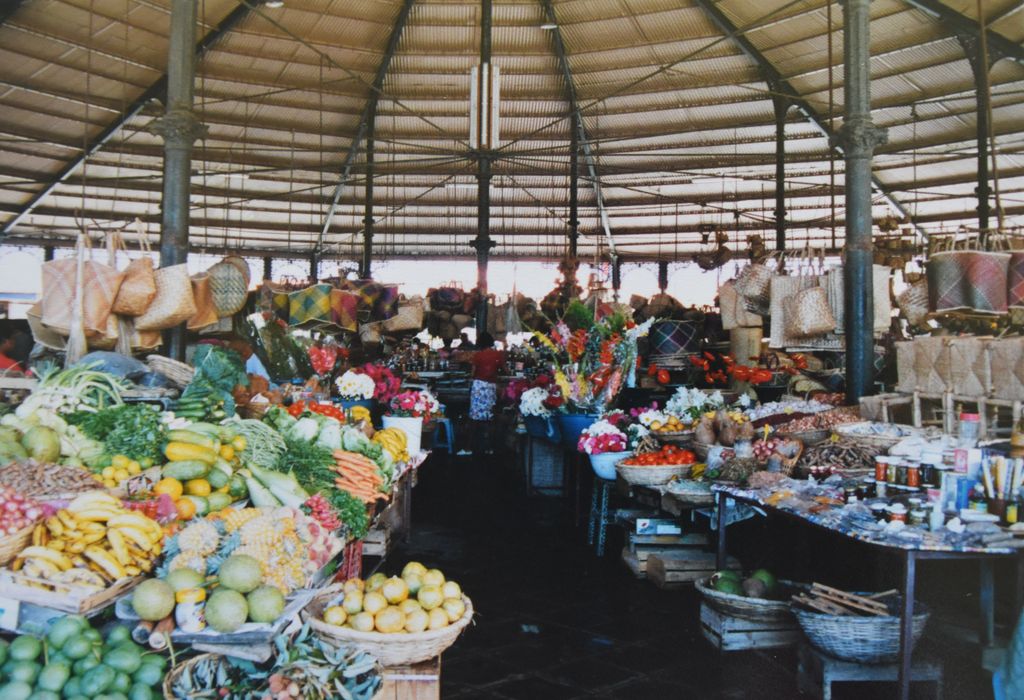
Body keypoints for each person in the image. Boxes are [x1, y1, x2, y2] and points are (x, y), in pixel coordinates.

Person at [467, 332, 506, 455]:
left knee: (474, 417)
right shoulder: (498, 355)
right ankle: (490, 448)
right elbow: (506, 370)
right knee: (490, 417)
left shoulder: (477, 355)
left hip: (479, 386)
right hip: (490, 387)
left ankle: (470, 447)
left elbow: (473, 373)